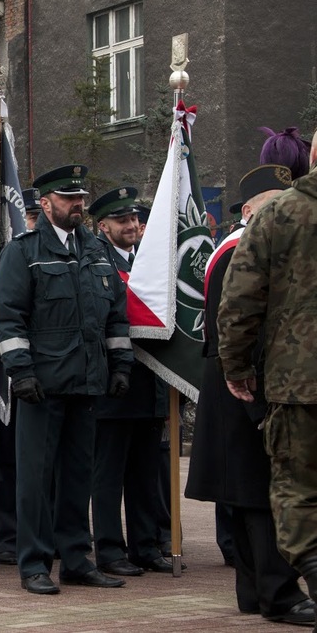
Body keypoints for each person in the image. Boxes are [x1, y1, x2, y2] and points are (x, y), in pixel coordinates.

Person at [0, 164, 133, 595]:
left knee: (77, 477)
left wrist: (121, 365)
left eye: (80, 198)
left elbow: (115, 316)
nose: (78, 204)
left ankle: (75, 559)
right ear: (46, 203)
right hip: (42, 386)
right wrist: (21, 372)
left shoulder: (95, 250)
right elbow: (9, 319)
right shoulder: (23, 251)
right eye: (69, 198)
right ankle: (34, 563)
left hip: (88, 383)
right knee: (35, 480)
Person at [213, 162, 317, 628]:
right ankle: (275, 589)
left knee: (295, 493)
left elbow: (239, 303)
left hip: (294, 382)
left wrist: (235, 369)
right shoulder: (271, 219)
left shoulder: (279, 217)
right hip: (286, 385)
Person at [86, 187, 171, 577]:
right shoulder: (95, 262)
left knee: (145, 473)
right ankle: (108, 549)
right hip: (112, 385)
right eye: (122, 220)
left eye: (135, 219)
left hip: (149, 382)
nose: (132, 225)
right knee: (108, 474)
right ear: (103, 226)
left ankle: (146, 545)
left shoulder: (149, 262)